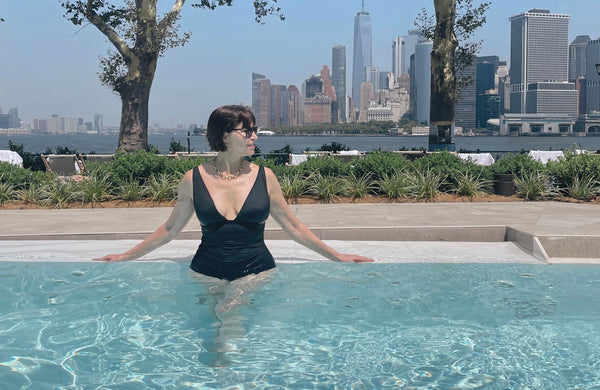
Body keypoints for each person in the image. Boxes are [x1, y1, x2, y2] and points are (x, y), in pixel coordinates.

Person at [95, 104, 374, 274]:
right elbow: (169, 230)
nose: (254, 136)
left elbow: (294, 227)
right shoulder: (193, 178)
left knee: (230, 323)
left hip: (257, 272)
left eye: (254, 130)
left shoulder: (266, 176)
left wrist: (338, 256)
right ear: (225, 136)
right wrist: (124, 256)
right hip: (206, 273)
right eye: (247, 131)